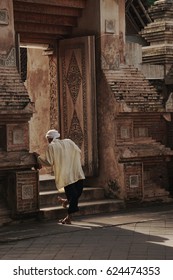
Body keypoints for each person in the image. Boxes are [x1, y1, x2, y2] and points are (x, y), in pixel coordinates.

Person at [35, 129, 85, 224]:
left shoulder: (52, 146)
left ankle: (66, 202)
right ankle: (69, 217)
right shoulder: (69, 142)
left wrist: (38, 158)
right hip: (76, 171)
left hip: (67, 175)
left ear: (49, 139)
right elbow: (78, 151)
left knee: (75, 194)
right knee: (76, 193)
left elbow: (49, 162)